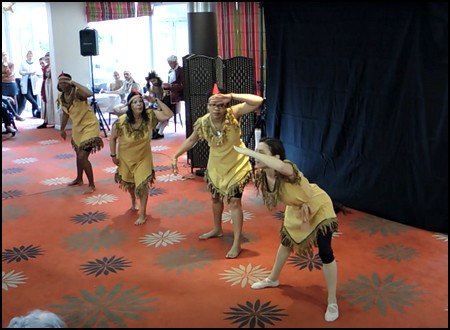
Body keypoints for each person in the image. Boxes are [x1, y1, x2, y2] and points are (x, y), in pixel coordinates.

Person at [233, 137, 340, 322]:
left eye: (261, 153)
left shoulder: (288, 167)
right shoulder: (263, 175)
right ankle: (273, 279)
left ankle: (332, 300)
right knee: (285, 242)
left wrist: (249, 152)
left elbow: (281, 167)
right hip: (296, 209)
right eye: (256, 152)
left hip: (318, 205)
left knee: (325, 251)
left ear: (275, 157)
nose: (256, 156)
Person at [171, 91, 263, 258]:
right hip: (216, 167)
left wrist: (231, 96)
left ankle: (236, 243)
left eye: (220, 105)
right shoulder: (203, 123)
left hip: (236, 165)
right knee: (215, 198)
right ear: (207, 106)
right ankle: (217, 228)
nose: (217, 109)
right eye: (213, 105)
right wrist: (175, 155)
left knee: (234, 203)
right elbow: (191, 140)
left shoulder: (233, 114)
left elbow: (258, 101)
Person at [109, 89, 174, 225]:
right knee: (131, 184)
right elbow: (112, 138)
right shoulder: (121, 121)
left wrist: (155, 100)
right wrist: (113, 155)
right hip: (126, 157)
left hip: (143, 157)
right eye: (135, 102)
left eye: (141, 102)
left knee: (142, 185)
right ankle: (133, 200)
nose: (139, 105)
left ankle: (142, 213)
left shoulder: (149, 115)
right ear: (130, 106)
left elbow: (169, 114)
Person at [57, 72, 104, 194]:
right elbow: (66, 114)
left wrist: (73, 83)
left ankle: (92, 184)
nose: (63, 85)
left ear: (70, 84)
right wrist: (62, 129)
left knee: (83, 157)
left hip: (90, 125)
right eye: (60, 83)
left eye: (65, 82)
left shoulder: (77, 93)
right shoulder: (61, 97)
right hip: (77, 128)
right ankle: (79, 179)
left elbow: (89, 93)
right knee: (78, 155)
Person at [153, 55, 184, 139]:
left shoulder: (181, 71)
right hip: (169, 94)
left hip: (176, 95)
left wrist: (170, 86)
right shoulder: (170, 71)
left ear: (175, 62)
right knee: (162, 106)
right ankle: (158, 128)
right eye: (169, 63)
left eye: (171, 63)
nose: (170, 65)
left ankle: (159, 130)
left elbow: (182, 86)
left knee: (166, 109)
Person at [18, 50, 41, 118]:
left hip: (33, 81)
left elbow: (39, 72)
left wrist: (35, 73)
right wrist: (26, 73)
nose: (30, 57)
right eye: (29, 56)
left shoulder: (35, 63)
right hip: (26, 81)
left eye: (31, 56)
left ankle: (35, 112)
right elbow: (20, 71)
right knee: (27, 94)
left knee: (34, 95)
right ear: (26, 56)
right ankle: (37, 106)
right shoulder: (23, 63)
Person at [2, 51, 23, 119]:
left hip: (11, 83)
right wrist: (6, 75)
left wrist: (6, 65)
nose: (4, 56)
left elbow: (10, 73)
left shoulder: (11, 64)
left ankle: (16, 115)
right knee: (6, 100)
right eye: (3, 55)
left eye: (5, 55)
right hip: (3, 83)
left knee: (14, 99)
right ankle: (9, 116)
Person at [37, 52, 55, 129]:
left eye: (48, 58)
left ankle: (54, 121)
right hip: (46, 84)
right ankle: (46, 121)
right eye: (46, 59)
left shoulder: (53, 66)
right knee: (45, 102)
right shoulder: (46, 66)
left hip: (51, 84)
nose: (47, 60)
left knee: (51, 101)